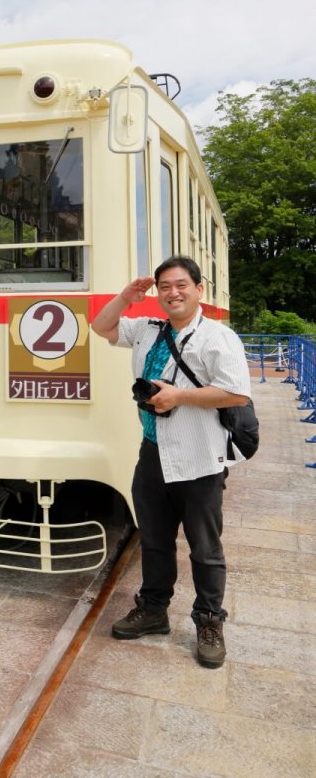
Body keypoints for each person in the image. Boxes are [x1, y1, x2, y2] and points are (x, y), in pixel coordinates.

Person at [91, 256, 251, 668]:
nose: (173, 293)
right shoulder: (147, 329)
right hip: (153, 451)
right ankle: (153, 611)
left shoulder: (219, 337)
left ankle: (210, 620)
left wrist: (179, 396)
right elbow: (100, 326)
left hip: (200, 458)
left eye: (181, 285)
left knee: (205, 548)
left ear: (199, 290)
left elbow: (236, 393)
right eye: (164, 286)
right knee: (155, 540)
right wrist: (126, 296)